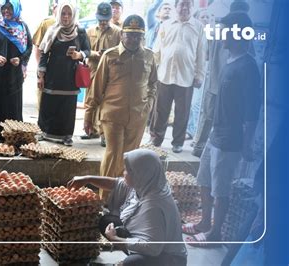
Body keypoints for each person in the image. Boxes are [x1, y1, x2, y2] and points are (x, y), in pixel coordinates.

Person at [184, 12, 260, 245]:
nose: (221, 35)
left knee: (221, 190)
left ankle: (214, 234)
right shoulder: (229, 63)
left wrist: (246, 145)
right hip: (216, 135)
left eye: (225, 30)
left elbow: (251, 114)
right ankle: (205, 222)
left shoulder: (248, 68)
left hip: (230, 140)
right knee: (204, 179)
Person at [68, 149, 187, 266]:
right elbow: (116, 183)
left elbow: (153, 248)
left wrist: (115, 239)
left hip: (169, 259)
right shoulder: (148, 184)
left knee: (133, 263)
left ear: (139, 174)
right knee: (107, 221)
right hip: (155, 249)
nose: (123, 173)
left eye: (127, 170)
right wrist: (87, 179)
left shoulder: (153, 205)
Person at [85, 15, 157, 185]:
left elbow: (153, 84)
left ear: (143, 37)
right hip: (113, 115)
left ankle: (124, 201)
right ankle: (106, 200)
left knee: (131, 159)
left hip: (138, 117)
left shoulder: (149, 56)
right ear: (122, 35)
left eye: (138, 36)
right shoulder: (110, 56)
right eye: (130, 35)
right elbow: (96, 89)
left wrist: (149, 105)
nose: (133, 39)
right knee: (113, 155)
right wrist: (89, 116)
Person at [192, 0, 251, 157]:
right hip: (221, 83)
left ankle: (201, 147)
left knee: (209, 116)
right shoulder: (240, 32)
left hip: (216, 82)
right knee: (211, 116)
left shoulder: (221, 29)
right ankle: (200, 147)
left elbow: (206, 51)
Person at [149, 0, 206, 153]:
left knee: (182, 111)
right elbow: (157, 50)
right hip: (165, 74)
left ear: (192, 8)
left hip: (186, 77)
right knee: (160, 109)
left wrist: (199, 75)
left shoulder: (198, 27)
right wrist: (152, 71)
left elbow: (201, 53)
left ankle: (178, 142)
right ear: (176, 7)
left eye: (188, 5)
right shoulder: (166, 25)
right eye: (181, 4)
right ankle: (156, 138)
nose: (184, 8)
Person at [37, 2, 91, 146]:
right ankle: (44, 132)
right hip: (52, 76)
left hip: (70, 77)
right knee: (48, 104)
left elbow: (88, 51)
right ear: (59, 14)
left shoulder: (79, 31)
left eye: (69, 14)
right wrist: (41, 75)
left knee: (67, 108)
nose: (66, 17)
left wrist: (79, 55)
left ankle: (66, 135)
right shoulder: (52, 30)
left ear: (73, 15)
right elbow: (44, 54)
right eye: (63, 13)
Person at [0, 0, 32, 142]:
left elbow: (29, 47)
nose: (6, 11)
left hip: (14, 76)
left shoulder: (23, 26)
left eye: (10, 8)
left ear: (16, 9)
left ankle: (12, 135)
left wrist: (20, 59)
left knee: (11, 104)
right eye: (4, 8)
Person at [81, 2, 121, 142]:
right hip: (92, 70)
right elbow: (84, 51)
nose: (103, 22)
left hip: (109, 74)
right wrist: (94, 53)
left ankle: (104, 133)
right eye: (101, 19)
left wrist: (108, 56)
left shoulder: (117, 32)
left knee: (105, 103)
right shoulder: (90, 31)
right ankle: (90, 129)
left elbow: (120, 53)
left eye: (106, 19)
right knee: (90, 101)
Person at [186, 8, 210, 141]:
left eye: (208, 17)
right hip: (189, 70)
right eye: (203, 17)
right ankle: (190, 131)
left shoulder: (212, 35)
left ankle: (193, 133)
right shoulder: (192, 32)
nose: (206, 20)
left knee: (196, 104)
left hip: (204, 72)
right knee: (189, 103)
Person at [32, 1, 58, 111]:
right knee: (43, 104)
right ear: (54, 7)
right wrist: (40, 72)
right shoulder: (47, 23)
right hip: (45, 68)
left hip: (61, 72)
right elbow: (38, 48)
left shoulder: (73, 25)